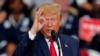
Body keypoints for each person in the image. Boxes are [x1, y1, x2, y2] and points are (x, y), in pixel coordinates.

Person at [13, 3, 80, 56]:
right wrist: (33, 29)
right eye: (45, 20)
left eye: (53, 19)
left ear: (60, 21)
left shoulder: (72, 43)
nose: (49, 24)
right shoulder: (30, 42)